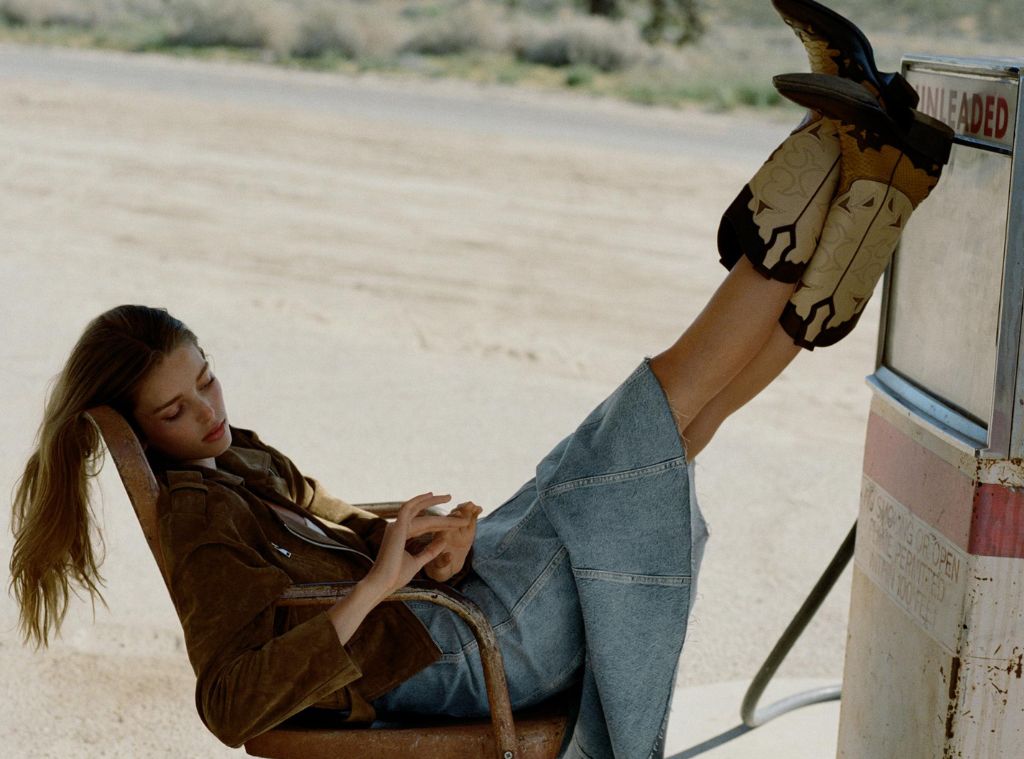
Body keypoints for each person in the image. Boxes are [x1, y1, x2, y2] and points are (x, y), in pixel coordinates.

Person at [8, 2, 954, 757]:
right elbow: (228, 703)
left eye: (206, 381)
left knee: (667, 435)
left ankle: (875, 171)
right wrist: (382, 584)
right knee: (643, 423)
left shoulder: (235, 459)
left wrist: (425, 544)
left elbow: (336, 534)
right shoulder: (194, 514)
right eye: (174, 410)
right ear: (134, 423)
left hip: (452, 609)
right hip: (457, 652)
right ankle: (842, 150)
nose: (208, 413)